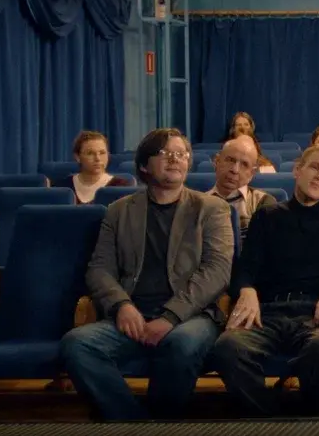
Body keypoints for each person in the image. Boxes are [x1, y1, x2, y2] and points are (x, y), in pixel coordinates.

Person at [60, 128, 233, 421]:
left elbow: (217, 271)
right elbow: (99, 268)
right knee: (77, 344)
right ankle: (134, 425)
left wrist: (170, 317)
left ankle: (158, 428)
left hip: (189, 317)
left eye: (181, 154)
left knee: (181, 343)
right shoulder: (119, 211)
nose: (175, 159)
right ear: (143, 165)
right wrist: (121, 305)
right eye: (165, 153)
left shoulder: (211, 209)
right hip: (133, 317)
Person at [211, 145, 319, 417]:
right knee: (228, 348)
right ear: (297, 170)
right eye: (314, 167)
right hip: (267, 314)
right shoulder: (267, 215)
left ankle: (311, 420)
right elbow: (245, 270)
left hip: (317, 315)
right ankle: (271, 418)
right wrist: (247, 290)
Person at [64, 130, 132, 204]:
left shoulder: (122, 187)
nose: (98, 159)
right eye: (90, 153)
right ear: (77, 157)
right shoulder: (63, 186)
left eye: (102, 153)